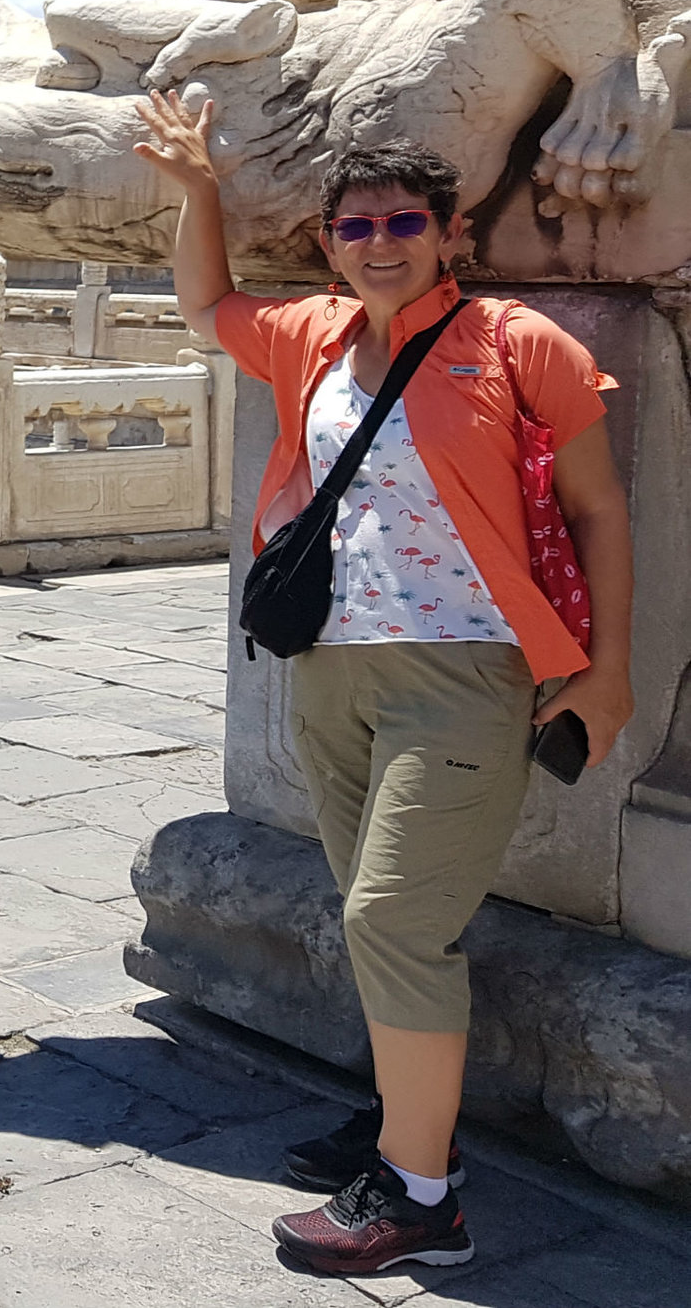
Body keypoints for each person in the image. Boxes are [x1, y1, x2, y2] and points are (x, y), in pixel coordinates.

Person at [135, 98, 633, 1277]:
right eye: (355, 226)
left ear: (449, 233)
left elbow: (600, 509)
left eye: (405, 220)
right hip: (327, 674)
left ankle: (418, 1202)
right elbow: (207, 307)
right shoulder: (309, 333)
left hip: (462, 677)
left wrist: (602, 672)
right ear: (327, 242)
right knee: (381, 915)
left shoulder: (517, 344)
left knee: (390, 919)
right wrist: (197, 189)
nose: (379, 241)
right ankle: (414, 1135)